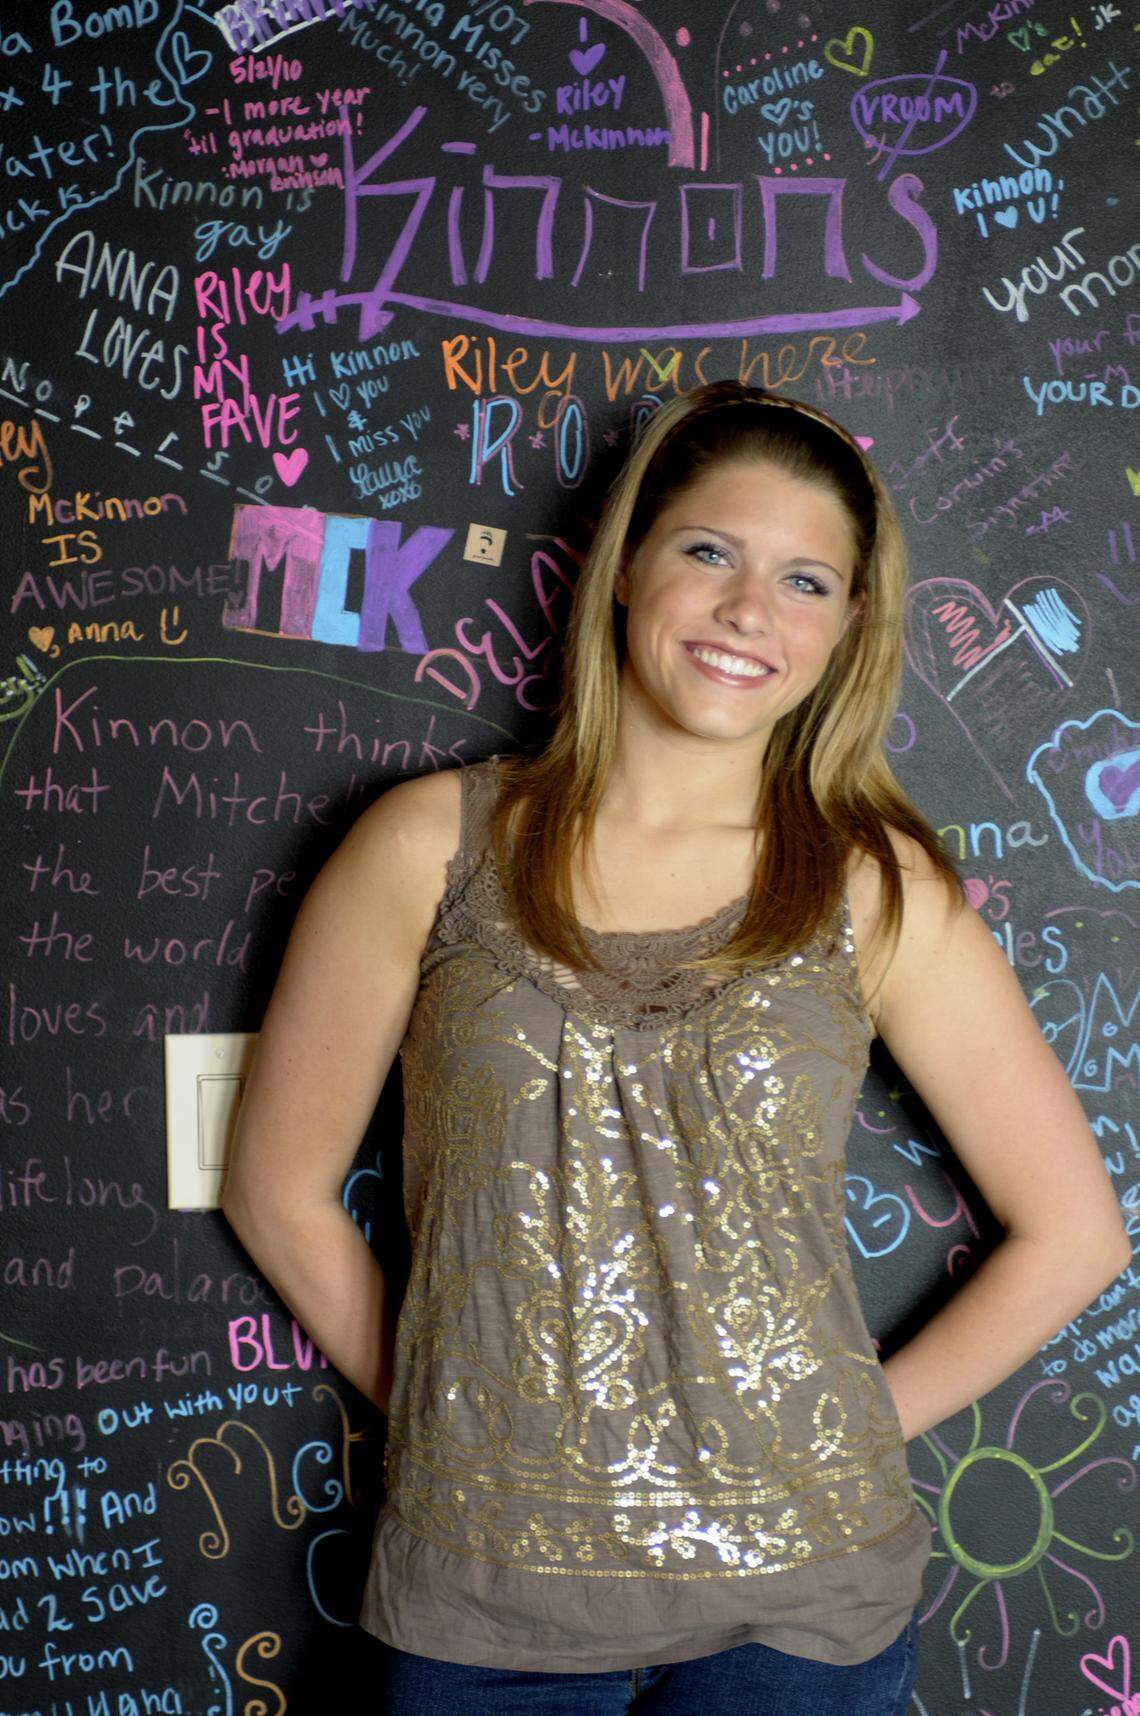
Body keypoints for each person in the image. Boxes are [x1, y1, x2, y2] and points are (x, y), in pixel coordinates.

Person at [219, 381, 1130, 1715]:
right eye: (711, 552)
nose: (750, 610)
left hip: (801, 1604)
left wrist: (835, 1435)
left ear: (849, 628)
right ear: (627, 566)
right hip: (481, 1600)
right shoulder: (428, 847)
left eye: (806, 580)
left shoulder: (871, 889)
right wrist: (454, 1412)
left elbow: (1077, 1234)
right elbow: (275, 1188)